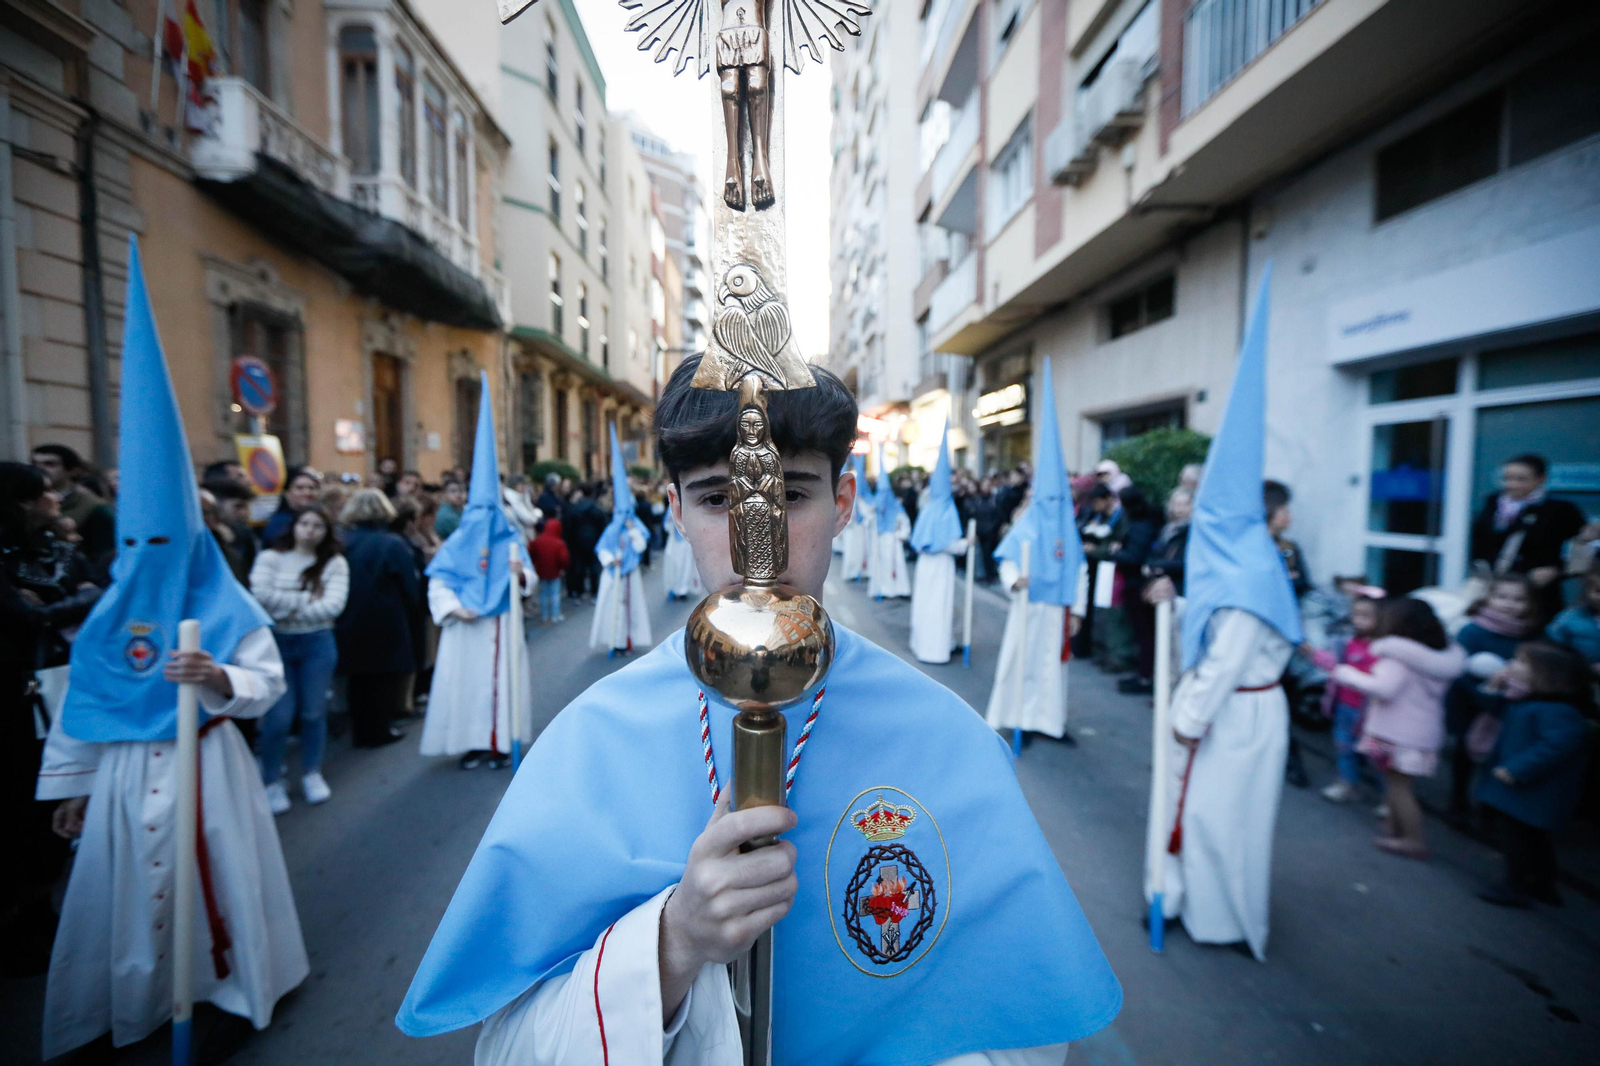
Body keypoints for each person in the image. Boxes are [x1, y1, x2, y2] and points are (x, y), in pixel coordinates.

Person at [396, 354, 1122, 1063]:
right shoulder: (589, 740)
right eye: (718, 499)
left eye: (793, 495)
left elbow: (1017, 1018)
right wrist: (674, 944)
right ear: (676, 512)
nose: (758, 540)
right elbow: (510, 1044)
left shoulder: (947, 738)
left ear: (841, 506)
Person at [35, 240, 306, 1057]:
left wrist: (219, 674)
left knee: (220, 883)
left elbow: (267, 680)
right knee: (122, 900)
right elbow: (85, 702)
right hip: (122, 778)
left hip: (209, 773)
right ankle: (137, 1002)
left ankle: (232, 988)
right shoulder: (111, 613)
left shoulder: (222, 601)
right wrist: (72, 789)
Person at [1144, 269, 1303, 961]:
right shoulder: (1246, 566)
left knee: (1219, 819)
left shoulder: (1248, 580)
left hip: (1239, 713)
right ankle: (1199, 903)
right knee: (1211, 815)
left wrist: (1186, 718)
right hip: (1233, 708)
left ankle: (1220, 917)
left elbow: (1230, 655)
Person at [0, 462, 101, 973]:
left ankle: (41, 914)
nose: (57, 499)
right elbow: (25, 618)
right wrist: (70, 603)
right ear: (21, 502)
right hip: (17, 698)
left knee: (47, 807)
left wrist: (67, 600)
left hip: (61, 690)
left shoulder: (60, 550)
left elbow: (96, 594)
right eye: (44, 493)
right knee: (19, 806)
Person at [421, 375, 535, 769]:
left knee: (502, 684)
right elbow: (439, 580)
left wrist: (520, 575)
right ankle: (472, 741)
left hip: (502, 621)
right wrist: (455, 608)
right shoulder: (456, 543)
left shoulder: (511, 540)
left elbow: (528, 580)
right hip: (467, 627)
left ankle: (503, 741)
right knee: (467, 686)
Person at [986, 360, 1085, 744]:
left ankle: (1049, 721)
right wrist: (1015, 579)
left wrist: (1077, 609)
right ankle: (1017, 718)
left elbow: (1080, 571)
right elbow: (1008, 558)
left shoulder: (1069, 530)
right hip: (1029, 604)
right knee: (1022, 662)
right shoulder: (1027, 524)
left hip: (1056, 607)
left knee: (1052, 670)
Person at [1330, 598, 1464, 860]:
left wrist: (1345, 673)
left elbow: (1383, 688)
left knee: (1399, 788)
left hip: (1396, 733)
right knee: (1397, 785)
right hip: (1422, 732)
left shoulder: (1397, 658)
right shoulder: (1438, 657)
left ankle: (1413, 840)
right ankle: (1393, 828)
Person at [1474, 642, 1594, 908]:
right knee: (1533, 839)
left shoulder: (1559, 711)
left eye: (1522, 662)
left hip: (1532, 790)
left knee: (1520, 840)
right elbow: (1485, 704)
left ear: (1547, 675)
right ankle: (1542, 885)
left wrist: (1518, 768)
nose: (1512, 665)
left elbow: (1557, 746)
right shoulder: (1524, 697)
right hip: (1521, 788)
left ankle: (1515, 886)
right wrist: (1495, 686)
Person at [249, 505, 349, 813]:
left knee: (313, 712)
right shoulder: (271, 558)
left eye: (317, 525)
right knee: (278, 716)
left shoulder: (334, 563)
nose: (310, 530)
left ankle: (311, 772)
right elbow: (260, 595)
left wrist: (285, 605)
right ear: (293, 526)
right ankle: (271, 780)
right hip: (277, 641)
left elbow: (332, 606)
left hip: (317, 641)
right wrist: (305, 599)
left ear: (325, 532)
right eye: (304, 523)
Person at [1444, 572, 1543, 819]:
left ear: (1530, 604)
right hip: (1470, 703)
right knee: (1465, 751)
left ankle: (1489, 804)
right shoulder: (1472, 631)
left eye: (1519, 599)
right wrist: (1485, 691)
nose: (1509, 604)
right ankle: (1458, 798)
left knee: (1499, 754)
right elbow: (1457, 669)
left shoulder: (1533, 635)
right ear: (1488, 598)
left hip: (1511, 707)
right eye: (1502, 596)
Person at [336, 490, 420, 747]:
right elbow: (409, 584)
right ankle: (379, 729)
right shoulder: (392, 543)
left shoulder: (342, 541)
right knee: (382, 678)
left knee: (358, 679)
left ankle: (362, 730)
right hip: (385, 618)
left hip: (348, 616)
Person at [1469, 453, 1587, 618]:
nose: (1512, 485)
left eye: (1521, 479)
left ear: (1541, 479)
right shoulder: (1493, 502)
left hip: (1537, 593)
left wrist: (1559, 570)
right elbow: (1480, 541)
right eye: (1507, 478)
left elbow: (1584, 546)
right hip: (1495, 588)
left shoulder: (1559, 509)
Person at [1308, 593, 1382, 803]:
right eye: (1356, 614)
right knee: (1344, 747)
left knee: (1376, 756)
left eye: (1366, 615)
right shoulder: (1346, 642)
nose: (1359, 619)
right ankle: (1348, 783)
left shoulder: (1384, 648)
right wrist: (1312, 653)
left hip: (1373, 712)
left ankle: (1390, 798)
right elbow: (1334, 664)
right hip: (1344, 706)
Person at [908, 422, 968, 664]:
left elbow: (922, 541)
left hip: (926, 566)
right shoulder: (945, 509)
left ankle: (923, 644)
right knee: (939, 606)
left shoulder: (928, 508)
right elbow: (948, 544)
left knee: (927, 605)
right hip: (941, 565)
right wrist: (966, 543)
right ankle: (935, 649)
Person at [591, 428, 652, 653]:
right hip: (613, 574)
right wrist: (610, 560)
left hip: (631, 573)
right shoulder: (611, 528)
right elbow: (602, 548)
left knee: (632, 606)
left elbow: (641, 545)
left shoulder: (634, 525)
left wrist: (633, 531)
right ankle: (614, 641)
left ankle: (629, 638)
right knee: (612, 607)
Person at [1125, 488, 1192, 695]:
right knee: (1165, 646)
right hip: (1160, 594)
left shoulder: (1193, 533)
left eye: (1184, 504)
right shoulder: (1168, 529)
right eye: (1176, 504)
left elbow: (1187, 563)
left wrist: (1159, 567)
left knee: (1179, 650)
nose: (1179, 509)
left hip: (1180, 595)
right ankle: (1165, 692)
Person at [29, 443, 116, 565]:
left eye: (50, 464)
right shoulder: (29, 502)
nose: (40, 469)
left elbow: (104, 553)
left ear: (72, 470)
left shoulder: (94, 506)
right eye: (34, 463)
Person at [867, 448, 911, 600]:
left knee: (897, 565)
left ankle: (901, 589)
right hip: (880, 538)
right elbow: (869, 520)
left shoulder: (896, 507)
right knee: (882, 565)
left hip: (893, 538)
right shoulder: (877, 508)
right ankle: (885, 590)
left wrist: (901, 535)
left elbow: (905, 522)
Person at [1545, 560, 1600, 671]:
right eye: (1598, 591)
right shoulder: (1568, 619)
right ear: (1587, 591)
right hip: (1579, 677)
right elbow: (1553, 652)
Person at [202, 477, 259, 582]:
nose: (244, 513)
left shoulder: (244, 535)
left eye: (246, 507)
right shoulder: (202, 537)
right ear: (216, 504)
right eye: (238, 506)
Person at [563, 484, 605, 601]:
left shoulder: (575, 509)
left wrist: (570, 541)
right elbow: (602, 525)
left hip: (577, 541)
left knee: (579, 566)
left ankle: (579, 590)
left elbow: (568, 526)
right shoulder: (596, 508)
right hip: (594, 541)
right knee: (594, 567)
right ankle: (594, 591)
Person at [262, 467, 323, 545]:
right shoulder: (277, 522)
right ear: (287, 493)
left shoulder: (323, 519)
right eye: (300, 488)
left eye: (311, 488)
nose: (307, 492)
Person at [836, 453, 872, 581]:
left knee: (861, 551)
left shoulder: (861, 497)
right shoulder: (847, 495)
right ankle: (850, 573)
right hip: (850, 527)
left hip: (860, 527)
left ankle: (860, 572)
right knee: (851, 551)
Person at [530, 518, 570, 622]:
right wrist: (563, 568)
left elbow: (532, 554)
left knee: (543, 594)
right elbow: (564, 559)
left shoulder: (537, 541)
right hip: (555, 572)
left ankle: (544, 615)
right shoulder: (559, 543)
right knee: (555, 594)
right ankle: (555, 615)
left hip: (541, 571)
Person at [662, 508, 704, 602]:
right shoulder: (670, 509)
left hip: (686, 542)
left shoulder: (686, 505)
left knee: (686, 566)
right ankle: (675, 589)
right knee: (675, 566)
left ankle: (683, 590)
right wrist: (670, 521)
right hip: (674, 544)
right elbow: (665, 526)